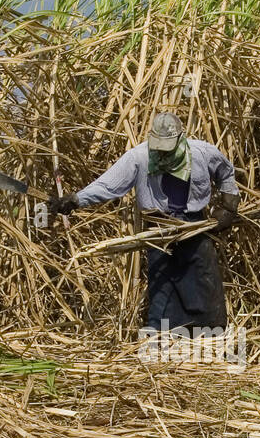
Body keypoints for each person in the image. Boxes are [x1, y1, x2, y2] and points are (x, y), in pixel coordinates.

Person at [49, 111, 240, 333]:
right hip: (158, 228)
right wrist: (75, 200)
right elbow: (108, 185)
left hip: (194, 226)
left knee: (203, 276)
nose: (163, 152)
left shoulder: (202, 153)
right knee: (162, 282)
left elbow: (226, 172)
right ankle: (161, 334)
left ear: (181, 138)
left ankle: (210, 332)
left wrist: (228, 205)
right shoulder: (139, 157)